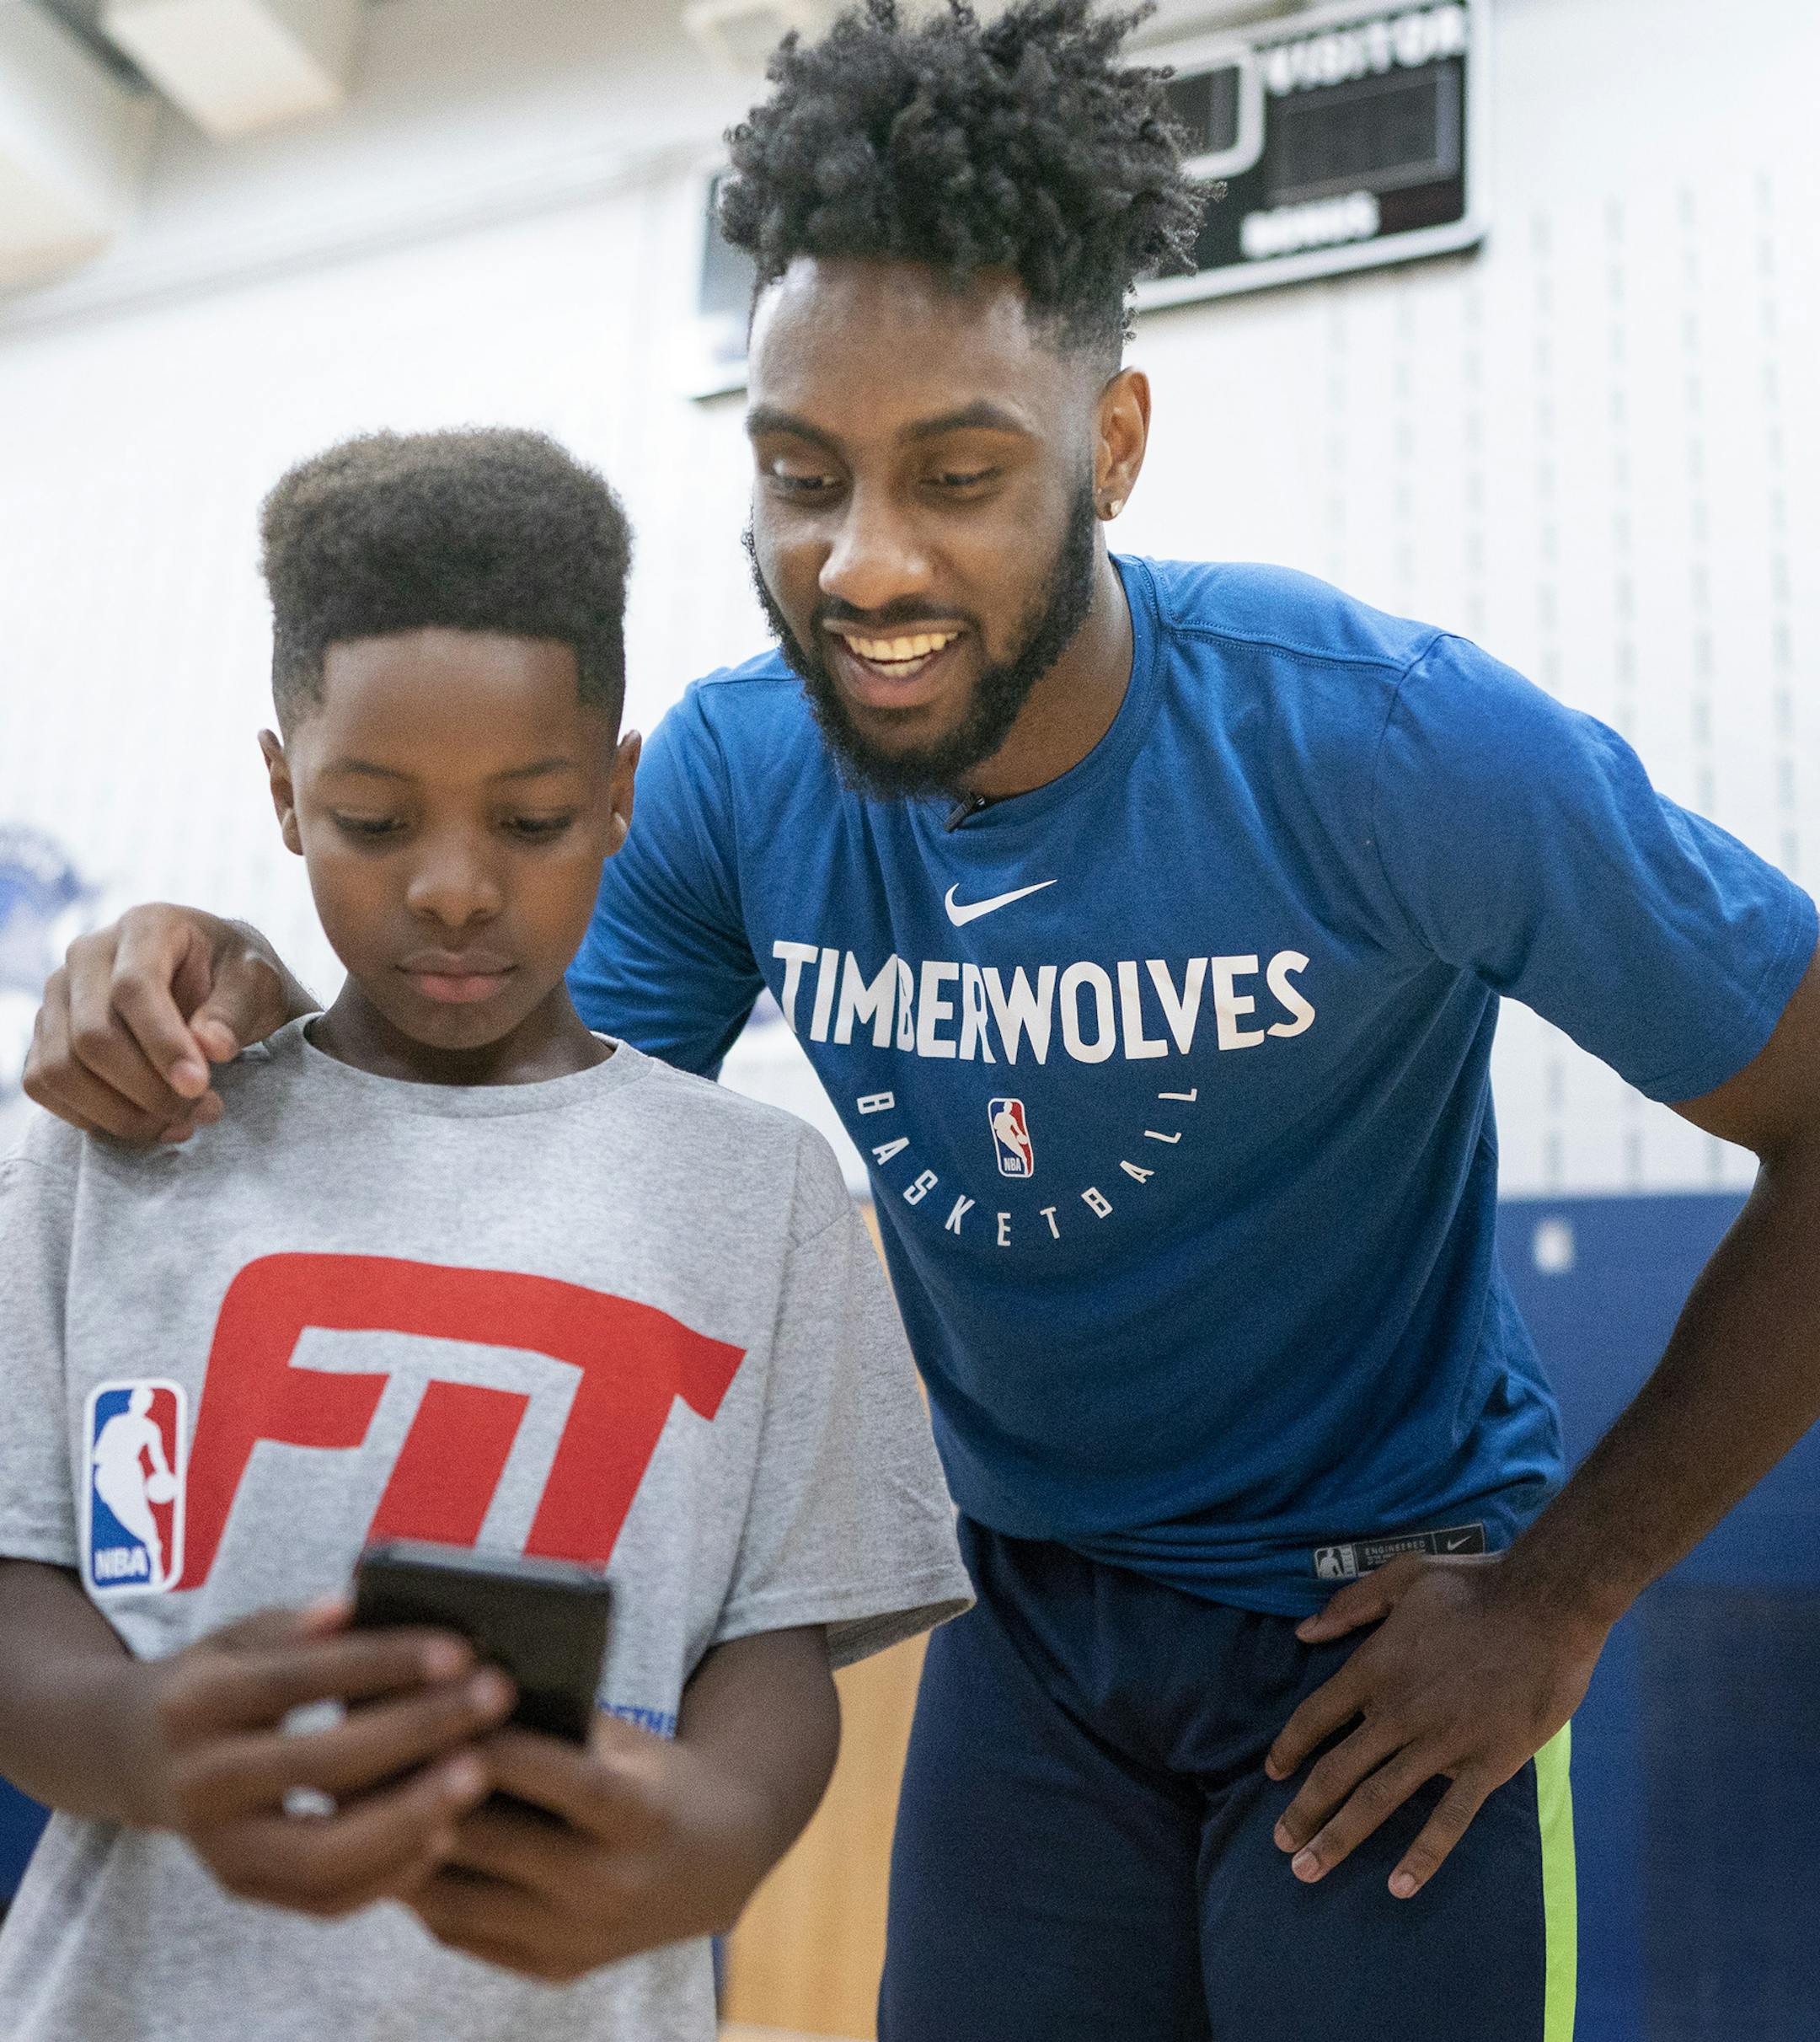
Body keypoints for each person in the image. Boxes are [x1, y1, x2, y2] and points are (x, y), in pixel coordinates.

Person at [22, 4, 1820, 2039]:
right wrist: (232, 980)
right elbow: (498, 1108)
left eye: (957, 474)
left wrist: (1566, 1598)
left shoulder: (1394, 751)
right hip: (1032, 1625)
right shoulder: (730, 778)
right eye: (804, 476)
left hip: (1380, 1621)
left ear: (1110, 445)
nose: (865, 559)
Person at [0, 426, 971, 2042]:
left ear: (618, 794)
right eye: (375, 823)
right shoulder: (125, 1146)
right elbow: (16, 1580)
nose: (453, 889)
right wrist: (133, 1736)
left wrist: (721, 1837)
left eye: (527, 822)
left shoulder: (764, 1192)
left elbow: (781, 1646)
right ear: (282, 792)